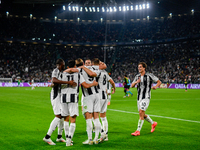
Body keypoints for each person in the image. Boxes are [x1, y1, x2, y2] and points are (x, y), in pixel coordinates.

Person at [61, 60, 98, 146]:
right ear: (75, 67)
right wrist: (93, 84)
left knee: (66, 119)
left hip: (63, 98)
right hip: (73, 98)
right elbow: (85, 85)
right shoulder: (78, 74)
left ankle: (66, 138)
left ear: (67, 67)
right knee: (73, 120)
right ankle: (68, 141)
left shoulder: (63, 74)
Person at [43, 58, 77, 145]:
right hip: (56, 95)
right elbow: (54, 80)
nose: (64, 66)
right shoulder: (56, 70)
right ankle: (47, 137)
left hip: (60, 96)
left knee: (62, 116)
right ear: (60, 64)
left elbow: (55, 82)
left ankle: (59, 136)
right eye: (63, 64)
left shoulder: (61, 72)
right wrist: (68, 82)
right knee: (58, 116)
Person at [76, 58, 105, 145]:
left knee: (88, 118)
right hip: (97, 95)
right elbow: (103, 66)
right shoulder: (95, 69)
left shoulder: (80, 70)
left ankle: (90, 139)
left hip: (88, 96)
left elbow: (73, 70)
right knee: (96, 118)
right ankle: (96, 138)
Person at [131, 62, 161, 136]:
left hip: (146, 97)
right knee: (142, 114)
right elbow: (131, 86)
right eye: (138, 67)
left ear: (144, 68)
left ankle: (138, 131)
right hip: (139, 98)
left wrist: (156, 86)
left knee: (141, 112)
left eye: (140, 67)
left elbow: (159, 81)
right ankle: (153, 123)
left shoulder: (149, 75)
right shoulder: (137, 76)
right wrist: (136, 82)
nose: (139, 68)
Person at [97, 69, 116, 141]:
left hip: (98, 96)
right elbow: (112, 82)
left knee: (94, 116)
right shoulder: (105, 73)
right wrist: (114, 88)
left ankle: (102, 134)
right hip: (104, 97)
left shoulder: (97, 72)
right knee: (103, 117)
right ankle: (106, 135)